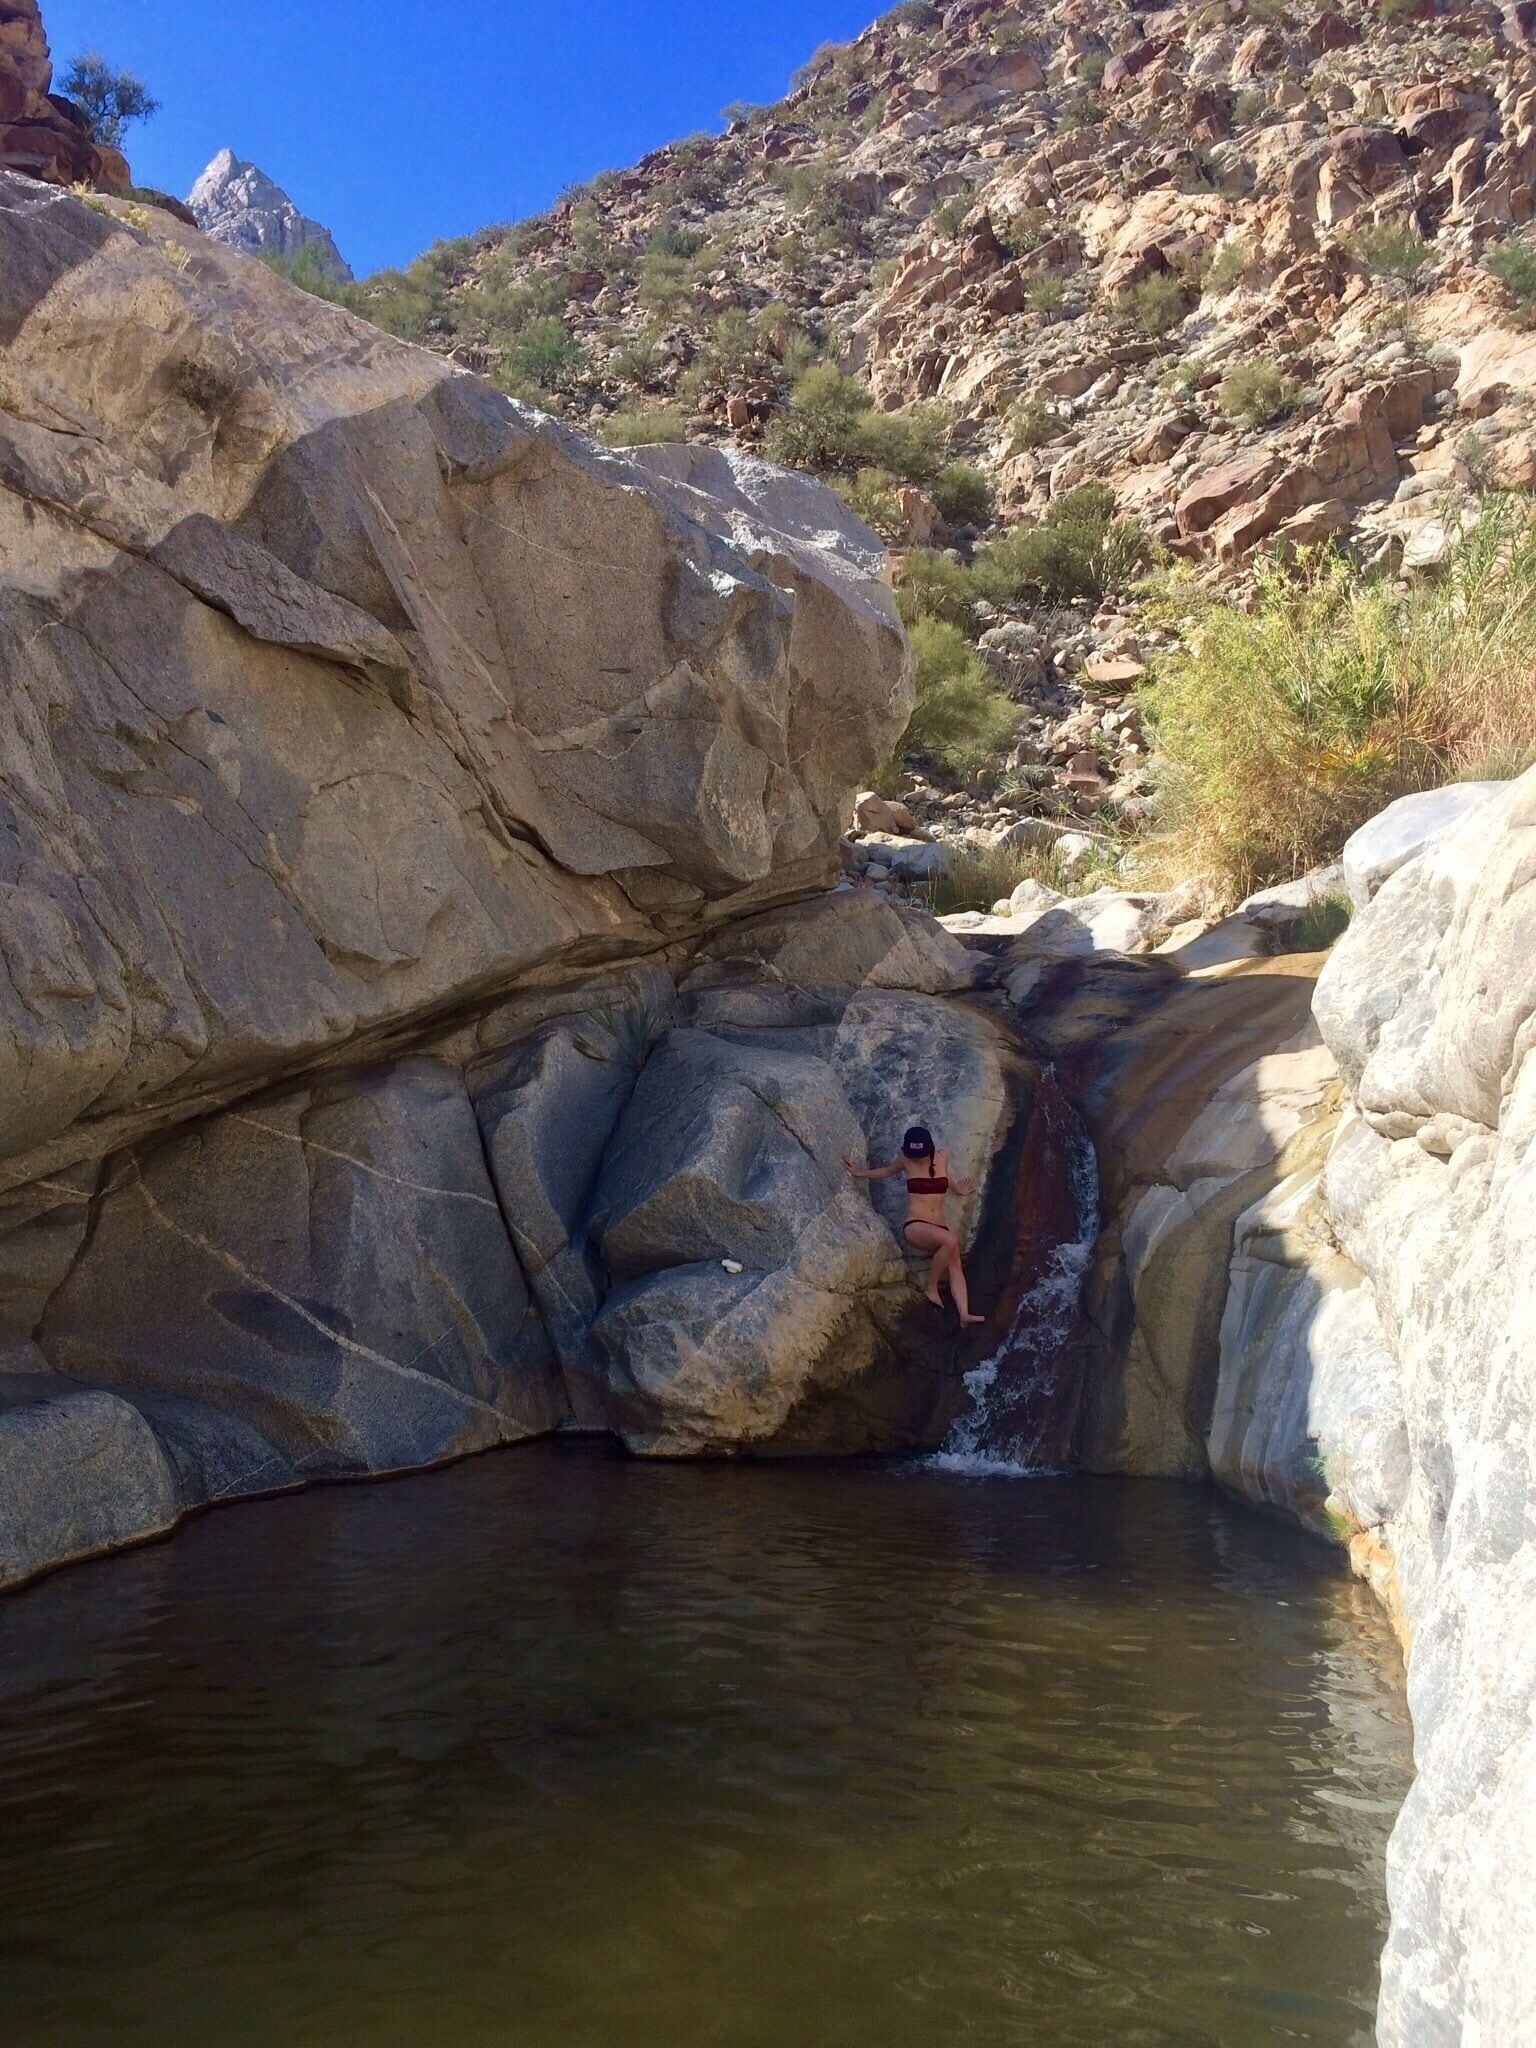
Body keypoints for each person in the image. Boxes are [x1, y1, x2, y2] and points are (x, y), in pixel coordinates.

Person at [843, 1125, 986, 1328]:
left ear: (929, 1148)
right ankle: (932, 1287)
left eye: (920, 1154)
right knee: (951, 1241)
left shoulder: (942, 1156)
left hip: (938, 1229)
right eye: (913, 1154)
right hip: (916, 1226)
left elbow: (945, 1177)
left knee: (955, 1262)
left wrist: (958, 1189)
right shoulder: (905, 1160)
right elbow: (886, 1171)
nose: (916, 1158)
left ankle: (964, 1314)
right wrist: (859, 1173)